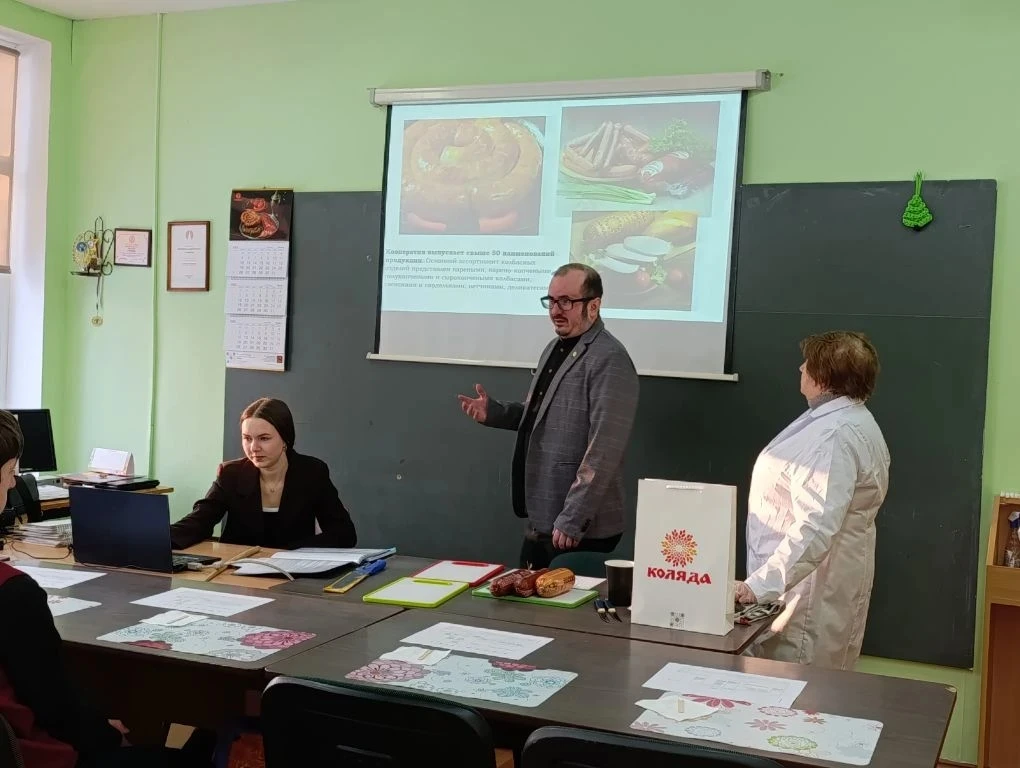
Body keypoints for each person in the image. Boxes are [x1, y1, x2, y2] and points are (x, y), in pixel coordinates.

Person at [0, 410, 194, 767]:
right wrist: (106, 734)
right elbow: (55, 706)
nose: (14, 484)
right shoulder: (13, 594)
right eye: (11, 472)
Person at [458, 263, 639, 570]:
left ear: (593, 306)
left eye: (566, 301)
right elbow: (543, 415)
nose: (556, 310)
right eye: (551, 301)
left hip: (578, 527)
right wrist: (495, 413)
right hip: (542, 515)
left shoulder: (610, 359)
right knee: (523, 593)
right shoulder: (554, 348)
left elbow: (604, 451)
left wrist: (573, 518)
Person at [735, 331, 890, 670]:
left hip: (807, 596)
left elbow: (816, 526)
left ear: (823, 377)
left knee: (796, 689)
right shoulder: (844, 420)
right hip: (811, 585)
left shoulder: (832, 436)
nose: (801, 368)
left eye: (807, 363)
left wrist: (758, 587)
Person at [170, 398, 356, 550]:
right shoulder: (231, 474)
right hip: (235, 572)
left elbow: (343, 533)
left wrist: (292, 552)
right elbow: (199, 521)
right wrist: (158, 538)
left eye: (264, 439)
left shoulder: (312, 472)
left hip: (292, 573)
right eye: (247, 438)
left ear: (285, 439)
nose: (254, 448)